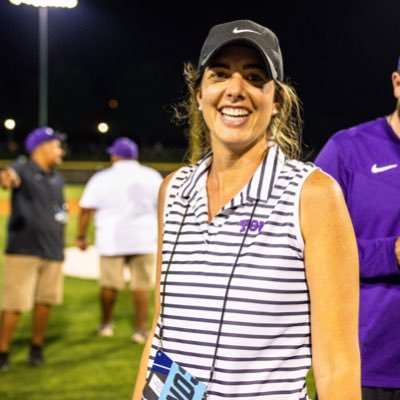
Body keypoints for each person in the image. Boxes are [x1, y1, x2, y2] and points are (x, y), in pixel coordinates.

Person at [133, 19, 361, 400]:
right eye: (220, 74)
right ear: (200, 94)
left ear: (276, 102)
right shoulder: (173, 191)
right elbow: (161, 331)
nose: (235, 90)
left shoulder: (313, 195)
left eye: (255, 77)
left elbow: (338, 364)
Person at [314, 56, 400, 400]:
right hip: (364, 364)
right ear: (397, 83)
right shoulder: (348, 149)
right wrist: (390, 252)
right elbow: (309, 250)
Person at [76, 137, 162, 344]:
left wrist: (81, 236)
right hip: (143, 238)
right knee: (141, 285)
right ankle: (140, 329)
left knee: (109, 285)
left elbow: (86, 209)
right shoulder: (152, 176)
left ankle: (106, 324)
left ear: (115, 155)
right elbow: (163, 209)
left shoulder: (101, 177)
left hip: (111, 239)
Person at [0, 126, 67, 371]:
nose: (61, 150)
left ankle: (36, 348)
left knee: (44, 302)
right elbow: (8, 176)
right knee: (15, 304)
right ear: (42, 147)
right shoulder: (23, 168)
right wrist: (7, 178)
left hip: (52, 250)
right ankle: (3, 352)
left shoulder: (57, 177)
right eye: (57, 145)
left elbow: (60, 212)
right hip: (24, 250)